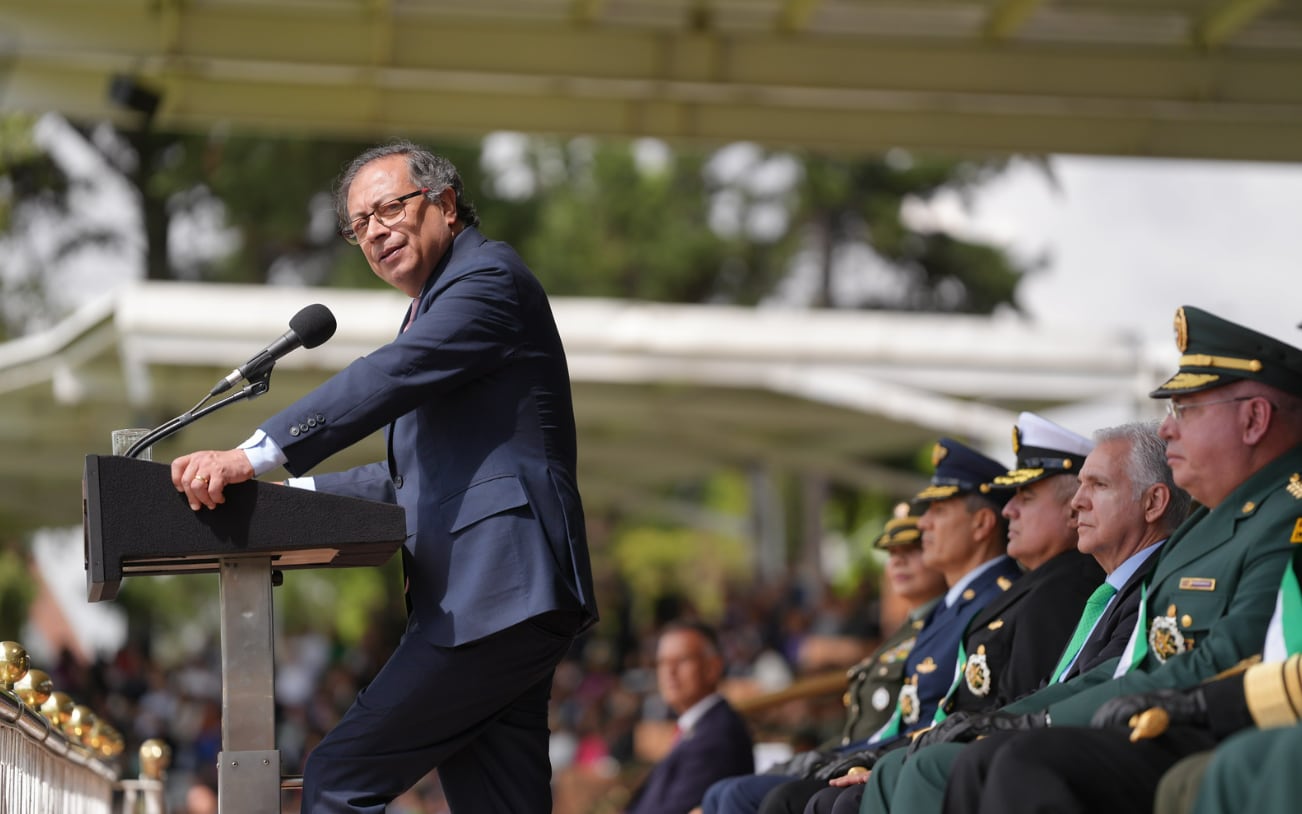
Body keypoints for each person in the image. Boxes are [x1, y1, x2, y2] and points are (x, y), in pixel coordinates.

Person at [169, 141, 597, 813]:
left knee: (338, 779)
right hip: (499, 603)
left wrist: (253, 455)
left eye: (388, 208)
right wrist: (285, 498)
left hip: (495, 593)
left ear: (446, 205)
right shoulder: (433, 308)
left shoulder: (487, 279)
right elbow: (408, 479)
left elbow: (387, 376)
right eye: (358, 224)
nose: (373, 231)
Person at [933, 305, 1302, 814]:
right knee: (987, 756)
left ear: (1255, 418)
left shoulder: (1286, 511)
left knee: (1018, 762)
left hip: (1208, 721)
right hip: (1166, 714)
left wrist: (1040, 722)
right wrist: (1030, 716)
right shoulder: (1206, 522)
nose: (1167, 429)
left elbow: (1235, 653)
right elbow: (1130, 663)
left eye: (1186, 410)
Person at [867, 420, 1187, 814]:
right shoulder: (1106, 591)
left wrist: (1008, 723)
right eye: (1080, 485)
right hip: (1057, 739)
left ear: (1153, 503)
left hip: (1110, 749)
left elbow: (1115, 682)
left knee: (928, 767)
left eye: (1098, 486)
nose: (1078, 502)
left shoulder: (1118, 584)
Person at [805, 412, 1107, 814]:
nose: (1008, 511)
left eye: (1026, 497)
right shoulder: (1034, 588)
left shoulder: (1062, 587)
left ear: (1073, 510)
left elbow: (1018, 706)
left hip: (982, 758)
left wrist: (884, 757)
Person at [701, 438, 1019, 814]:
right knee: (727, 793)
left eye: (938, 511)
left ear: (982, 523)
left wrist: (870, 759)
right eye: (893, 555)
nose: (926, 523)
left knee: (762, 797)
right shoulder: (946, 610)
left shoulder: (994, 600)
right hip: (889, 751)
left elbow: (968, 712)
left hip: (923, 758)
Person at [624, 622, 754, 814]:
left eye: (682, 660)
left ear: (713, 667)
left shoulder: (717, 736)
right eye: (662, 663)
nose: (669, 672)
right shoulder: (700, 727)